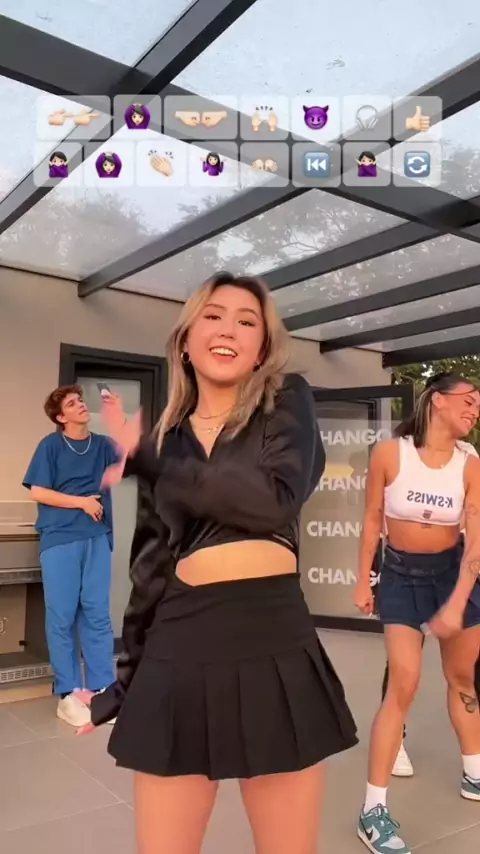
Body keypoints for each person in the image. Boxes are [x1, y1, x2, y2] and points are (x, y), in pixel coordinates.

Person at [77, 272, 358, 854]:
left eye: (247, 321)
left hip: (273, 635)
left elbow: (273, 501)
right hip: (181, 638)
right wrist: (124, 684)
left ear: (261, 348)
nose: (229, 328)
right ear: (186, 340)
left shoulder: (286, 402)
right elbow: (150, 567)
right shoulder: (165, 439)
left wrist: (148, 459)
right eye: (213, 315)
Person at [354, 371, 480, 854]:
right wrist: (363, 578)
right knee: (404, 683)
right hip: (401, 576)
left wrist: (457, 602)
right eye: (468, 400)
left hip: (453, 574)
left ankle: (474, 774)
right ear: (437, 401)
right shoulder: (391, 454)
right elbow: (372, 519)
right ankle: (373, 811)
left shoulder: (470, 462)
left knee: (462, 678)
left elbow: (476, 541)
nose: (474, 410)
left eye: (478, 404)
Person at [22, 384, 121, 728]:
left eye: (80, 400)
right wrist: (81, 502)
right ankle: (69, 694)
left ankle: (103, 691)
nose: (81, 405)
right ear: (60, 417)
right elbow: (38, 491)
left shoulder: (103, 445)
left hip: (96, 536)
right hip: (60, 538)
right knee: (62, 616)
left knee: (97, 613)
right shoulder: (50, 446)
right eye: (72, 403)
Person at [380, 442, 480, 779]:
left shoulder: (469, 456)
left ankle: (474, 766)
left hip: (459, 564)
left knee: (465, 669)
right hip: (409, 567)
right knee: (403, 669)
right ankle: (396, 740)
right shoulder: (401, 453)